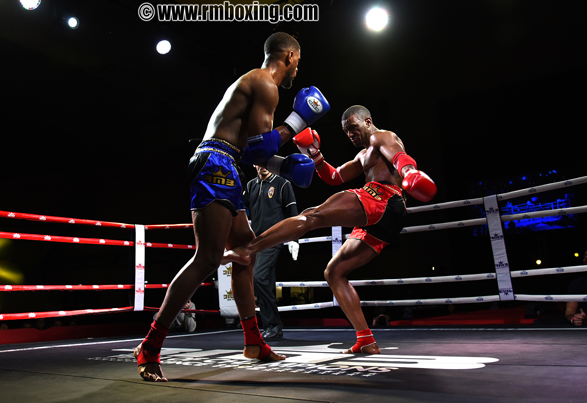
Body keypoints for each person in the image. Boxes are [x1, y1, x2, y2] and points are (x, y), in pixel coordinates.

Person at [134, 32, 330, 382]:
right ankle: (150, 345)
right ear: (288, 56)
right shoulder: (264, 83)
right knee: (208, 258)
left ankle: (254, 342)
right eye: (298, 61)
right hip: (216, 163)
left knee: (245, 250)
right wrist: (298, 121)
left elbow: (253, 150)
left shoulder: (258, 85)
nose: (298, 69)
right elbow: (257, 149)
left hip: (227, 163)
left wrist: (286, 167)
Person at [224, 105, 436, 354]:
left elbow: (399, 156)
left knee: (310, 216)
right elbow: (335, 176)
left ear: (368, 121)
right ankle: (366, 339)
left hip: (383, 198)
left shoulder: (382, 136)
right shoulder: (363, 155)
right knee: (334, 271)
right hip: (388, 218)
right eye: (346, 132)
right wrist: (315, 155)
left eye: (353, 128)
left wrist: (410, 172)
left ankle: (248, 248)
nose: (350, 135)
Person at [245, 164, 299, 341]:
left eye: (266, 162)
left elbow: (292, 213)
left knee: (258, 277)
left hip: (274, 238)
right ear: (254, 164)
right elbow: (242, 211)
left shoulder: (283, 183)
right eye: (259, 163)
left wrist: (294, 238)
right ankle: (273, 327)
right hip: (256, 241)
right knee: (266, 282)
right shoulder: (251, 185)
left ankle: (273, 324)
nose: (263, 167)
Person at [565, 249, 587, 326]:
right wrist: (574, 319)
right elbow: (569, 311)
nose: (586, 257)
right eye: (585, 255)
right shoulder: (577, 283)